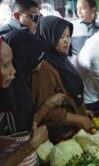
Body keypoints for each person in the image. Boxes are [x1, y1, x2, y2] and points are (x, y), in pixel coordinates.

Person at [0, 32, 59, 166]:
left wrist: (46, 107)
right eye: (6, 65)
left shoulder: (18, 90)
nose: (13, 71)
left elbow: (24, 127)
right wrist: (31, 145)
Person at [33, 16, 92, 143]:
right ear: (48, 36)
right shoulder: (44, 68)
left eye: (68, 36)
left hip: (72, 129)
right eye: (61, 37)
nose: (66, 41)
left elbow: (70, 94)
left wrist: (82, 111)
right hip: (60, 136)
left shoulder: (62, 60)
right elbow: (48, 113)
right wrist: (80, 119)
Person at [70, 0, 99, 65]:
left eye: (82, 8)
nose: (79, 12)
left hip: (96, 69)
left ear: (93, 10)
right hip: (77, 69)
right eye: (77, 9)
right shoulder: (71, 27)